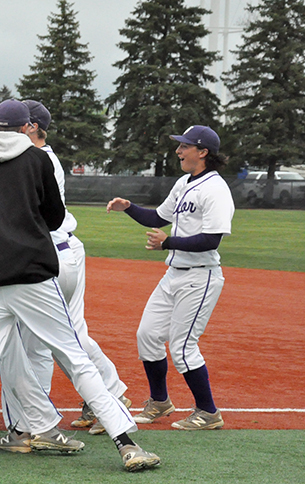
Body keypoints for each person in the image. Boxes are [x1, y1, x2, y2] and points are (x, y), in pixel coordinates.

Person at [0, 100, 160, 473]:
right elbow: (55, 216)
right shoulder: (38, 159)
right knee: (74, 358)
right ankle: (127, 444)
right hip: (31, 275)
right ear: (27, 127)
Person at [107, 125, 233, 431]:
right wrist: (129, 208)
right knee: (147, 336)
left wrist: (167, 242)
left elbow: (211, 240)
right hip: (174, 274)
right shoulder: (184, 182)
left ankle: (208, 412)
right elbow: (158, 217)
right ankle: (160, 402)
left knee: (182, 347)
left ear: (202, 152)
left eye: (185, 146)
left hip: (200, 278)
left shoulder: (215, 189)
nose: (178, 150)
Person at [17, 100, 131, 436]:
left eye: (20, 122)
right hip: (62, 250)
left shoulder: (40, 160)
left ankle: (104, 398)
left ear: (33, 127)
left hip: (54, 255)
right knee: (69, 334)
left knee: (54, 338)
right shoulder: (38, 157)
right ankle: (110, 395)